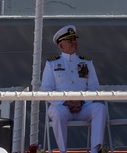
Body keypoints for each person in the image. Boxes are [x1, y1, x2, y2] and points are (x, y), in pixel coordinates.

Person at [40, 25, 107, 153]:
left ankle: (95, 150)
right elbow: (46, 90)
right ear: (61, 46)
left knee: (100, 108)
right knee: (58, 112)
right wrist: (64, 102)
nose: (74, 43)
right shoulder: (52, 63)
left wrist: (81, 102)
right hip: (62, 106)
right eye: (70, 41)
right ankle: (62, 151)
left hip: (82, 107)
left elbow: (93, 86)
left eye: (75, 40)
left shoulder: (85, 63)